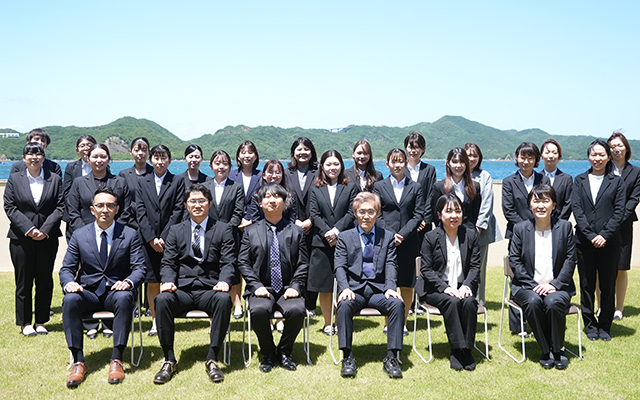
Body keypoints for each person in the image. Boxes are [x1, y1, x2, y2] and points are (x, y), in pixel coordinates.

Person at [59, 187, 146, 388]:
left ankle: (117, 359)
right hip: (87, 292)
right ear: (92, 209)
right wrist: (69, 283)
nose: (104, 209)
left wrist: (129, 282)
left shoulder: (130, 234)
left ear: (117, 209)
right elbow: (67, 268)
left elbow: (140, 268)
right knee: (70, 299)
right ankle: (78, 360)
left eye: (110, 205)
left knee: (125, 297)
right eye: (100, 205)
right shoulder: (80, 235)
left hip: (116, 292)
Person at [153, 184, 236, 384]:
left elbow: (228, 262)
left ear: (210, 203)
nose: (197, 205)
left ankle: (212, 358)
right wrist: (167, 282)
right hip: (182, 290)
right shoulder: (175, 230)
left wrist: (224, 282)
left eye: (201, 201)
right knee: (162, 299)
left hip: (210, 289)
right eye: (192, 201)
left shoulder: (223, 229)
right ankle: (169, 359)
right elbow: (168, 262)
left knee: (224, 299)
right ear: (185, 205)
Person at [237, 183, 308, 373]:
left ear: (284, 202)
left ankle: (284, 352)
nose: (271, 200)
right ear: (260, 203)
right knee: (259, 310)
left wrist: (295, 285)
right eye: (267, 196)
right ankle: (268, 352)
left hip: (288, 289)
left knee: (297, 310)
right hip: (262, 288)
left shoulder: (296, 231)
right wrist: (256, 285)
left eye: (276, 196)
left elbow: (303, 263)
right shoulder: (251, 231)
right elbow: (243, 262)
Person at [334, 192, 404, 379]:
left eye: (371, 211)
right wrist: (345, 288)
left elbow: (391, 264)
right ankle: (347, 357)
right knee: (344, 305)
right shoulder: (345, 237)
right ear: (355, 213)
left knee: (397, 304)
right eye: (362, 211)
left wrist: (391, 287)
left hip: (378, 291)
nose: (366, 216)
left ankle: (392, 357)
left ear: (378, 213)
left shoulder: (387, 236)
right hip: (354, 290)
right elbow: (339, 266)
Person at [67, 144, 133, 338]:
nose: (98, 160)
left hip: (115, 236)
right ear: (88, 159)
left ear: (108, 159)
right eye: (94, 156)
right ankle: (90, 325)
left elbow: (126, 209)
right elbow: (72, 209)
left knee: (113, 277)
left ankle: (109, 324)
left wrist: (113, 229)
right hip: (86, 237)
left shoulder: (119, 182)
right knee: (87, 277)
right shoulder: (79, 182)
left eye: (103, 156)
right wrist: (85, 233)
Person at [509, 184, 577, 370]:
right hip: (526, 287)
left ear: (554, 205)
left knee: (553, 303)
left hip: (558, 287)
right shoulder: (520, 229)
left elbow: (571, 260)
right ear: (530, 204)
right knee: (532, 301)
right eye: (536, 200)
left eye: (545, 200)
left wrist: (554, 284)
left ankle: (558, 349)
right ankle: (546, 349)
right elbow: (514, 260)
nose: (540, 205)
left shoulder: (565, 227)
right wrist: (533, 285)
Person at [4, 143, 64, 336]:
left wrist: (44, 230)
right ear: (23, 158)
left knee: (45, 280)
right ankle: (25, 322)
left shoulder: (54, 179)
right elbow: (10, 207)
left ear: (43, 158)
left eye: (38, 154)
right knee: (24, 281)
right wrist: (29, 229)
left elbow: (60, 206)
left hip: (47, 238)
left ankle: (41, 321)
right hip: (21, 238)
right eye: (29, 154)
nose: (34, 157)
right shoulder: (14, 179)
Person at [572, 140, 625, 341]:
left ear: (609, 157)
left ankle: (604, 325)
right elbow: (577, 210)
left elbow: (619, 212)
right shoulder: (580, 180)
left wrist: (604, 235)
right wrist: (591, 235)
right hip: (584, 243)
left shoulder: (617, 181)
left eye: (602, 155)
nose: (597, 158)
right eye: (594, 155)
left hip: (610, 243)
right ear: (589, 157)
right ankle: (590, 324)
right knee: (586, 285)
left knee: (607, 285)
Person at [421, 193, 480, 371]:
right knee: (452, 301)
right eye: (448, 211)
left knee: (469, 302)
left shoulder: (471, 235)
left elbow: (475, 266)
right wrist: (445, 288)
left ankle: (467, 350)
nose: (454, 215)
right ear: (439, 215)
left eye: (457, 211)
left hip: (463, 286)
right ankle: (456, 350)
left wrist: (467, 286)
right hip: (436, 289)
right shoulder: (430, 237)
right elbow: (426, 270)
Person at [136, 145, 185, 336]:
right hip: (148, 240)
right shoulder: (142, 181)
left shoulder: (177, 181)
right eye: (156, 157)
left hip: (170, 239)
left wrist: (164, 237)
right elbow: (139, 210)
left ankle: (169, 318)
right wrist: (150, 238)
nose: (160, 161)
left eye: (163, 157)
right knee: (152, 281)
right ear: (150, 160)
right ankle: (155, 321)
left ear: (170, 160)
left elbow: (178, 211)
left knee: (170, 278)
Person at [373, 148, 424, 334]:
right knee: (389, 282)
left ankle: (402, 322)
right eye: (393, 161)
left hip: (409, 241)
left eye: (400, 161)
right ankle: (388, 322)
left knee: (406, 283)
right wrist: (391, 234)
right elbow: (376, 213)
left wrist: (402, 234)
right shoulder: (379, 186)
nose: (397, 165)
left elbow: (418, 214)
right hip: (385, 241)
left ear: (406, 163)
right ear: (387, 164)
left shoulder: (415, 187)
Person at [502, 142, 550, 334]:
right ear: (517, 158)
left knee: (539, 274)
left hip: (543, 235)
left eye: (530, 157)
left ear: (536, 160)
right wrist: (528, 228)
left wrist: (540, 226)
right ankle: (518, 326)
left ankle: (537, 322)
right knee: (518, 278)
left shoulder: (543, 178)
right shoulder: (508, 182)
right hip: (517, 235)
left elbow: (545, 203)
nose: (526, 161)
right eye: (522, 157)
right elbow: (509, 210)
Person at [308, 150, 357, 334]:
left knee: (342, 282)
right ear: (322, 167)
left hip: (344, 240)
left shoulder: (350, 187)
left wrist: (336, 231)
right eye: (328, 164)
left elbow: (352, 213)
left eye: (336, 164)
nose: (332, 168)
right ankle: (328, 323)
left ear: (341, 166)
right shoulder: (316, 188)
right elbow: (314, 214)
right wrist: (327, 232)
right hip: (321, 242)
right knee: (325, 286)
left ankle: (340, 321)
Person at [603, 131, 640, 321]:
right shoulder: (603, 168)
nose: (616, 149)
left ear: (626, 147)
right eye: (612, 147)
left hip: (624, 226)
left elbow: (633, 199)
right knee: (601, 267)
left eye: (619, 145)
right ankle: (601, 306)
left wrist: (617, 220)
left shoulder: (635, 172)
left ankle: (618, 308)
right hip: (602, 225)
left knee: (620, 267)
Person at [204, 150, 244, 319]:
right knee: (212, 271)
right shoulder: (204, 187)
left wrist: (225, 231)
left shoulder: (236, 187)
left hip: (231, 237)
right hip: (208, 237)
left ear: (230, 166)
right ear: (211, 165)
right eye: (217, 163)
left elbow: (237, 213)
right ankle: (216, 311)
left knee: (232, 273)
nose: (221, 167)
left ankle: (235, 305)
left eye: (225, 163)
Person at [464, 143, 502, 306]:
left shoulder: (484, 176)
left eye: (475, 155)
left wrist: (478, 227)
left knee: (478, 268)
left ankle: (478, 302)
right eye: (468, 155)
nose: (471, 158)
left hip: (481, 231)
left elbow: (487, 203)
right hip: (459, 230)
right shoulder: (458, 174)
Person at [284, 137, 318, 315]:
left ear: (311, 152)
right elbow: (283, 199)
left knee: (313, 265)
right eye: (299, 149)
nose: (302, 152)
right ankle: (294, 299)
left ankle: (310, 305)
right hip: (291, 226)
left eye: (306, 149)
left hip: (314, 226)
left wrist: (312, 220)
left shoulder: (319, 172)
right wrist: (294, 220)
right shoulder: (286, 172)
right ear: (293, 152)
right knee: (293, 263)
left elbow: (323, 200)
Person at [430, 148, 481, 230]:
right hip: (445, 234)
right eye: (455, 162)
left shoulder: (475, 187)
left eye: (462, 162)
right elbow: (436, 216)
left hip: (468, 235)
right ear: (448, 163)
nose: (458, 165)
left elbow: (474, 214)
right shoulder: (438, 187)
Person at [63, 135, 97, 240]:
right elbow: (67, 192)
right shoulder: (71, 167)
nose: (86, 148)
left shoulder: (101, 165)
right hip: (76, 215)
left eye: (89, 145)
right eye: (82, 145)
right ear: (77, 150)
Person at [404, 131, 436, 234]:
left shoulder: (429, 170)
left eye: (417, 147)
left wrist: (425, 219)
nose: (413, 151)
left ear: (423, 149)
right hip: (405, 222)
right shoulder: (401, 170)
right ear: (406, 149)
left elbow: (431, 195)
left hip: (424, 223)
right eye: (410, 147)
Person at [118, 137, 154, 231]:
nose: (140, 153)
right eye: (137, 150)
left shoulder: (155, 173)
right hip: (130, 222)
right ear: (131, 152)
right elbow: (122, 201)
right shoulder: (124, 174)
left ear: (149, 152)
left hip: (152, 223)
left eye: (144, 150)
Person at [248, 159, 297, 224]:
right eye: (270, 172)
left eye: (278, 172)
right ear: (264, 175)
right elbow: (255, 219)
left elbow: (291, 219)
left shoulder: (290, 195)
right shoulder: (257, 195)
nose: (274, 176)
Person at [228, 140, 262, 231]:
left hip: (255, 224)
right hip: (234, 224)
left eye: (250, 153)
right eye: (243, 153)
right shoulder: (230, 175)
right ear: (238, 157)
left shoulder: (262, 176)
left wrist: (251, 220)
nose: (247, 156)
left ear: (255, 157)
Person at [540, 139, 573, 220]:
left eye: (554, 153)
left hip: (560, 224)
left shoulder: (567, 179)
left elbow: (568, 204)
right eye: (547, 152)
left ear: (559, 156)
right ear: (541, 156)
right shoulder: (536, 178)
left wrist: (559, 223)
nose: (551, 156)